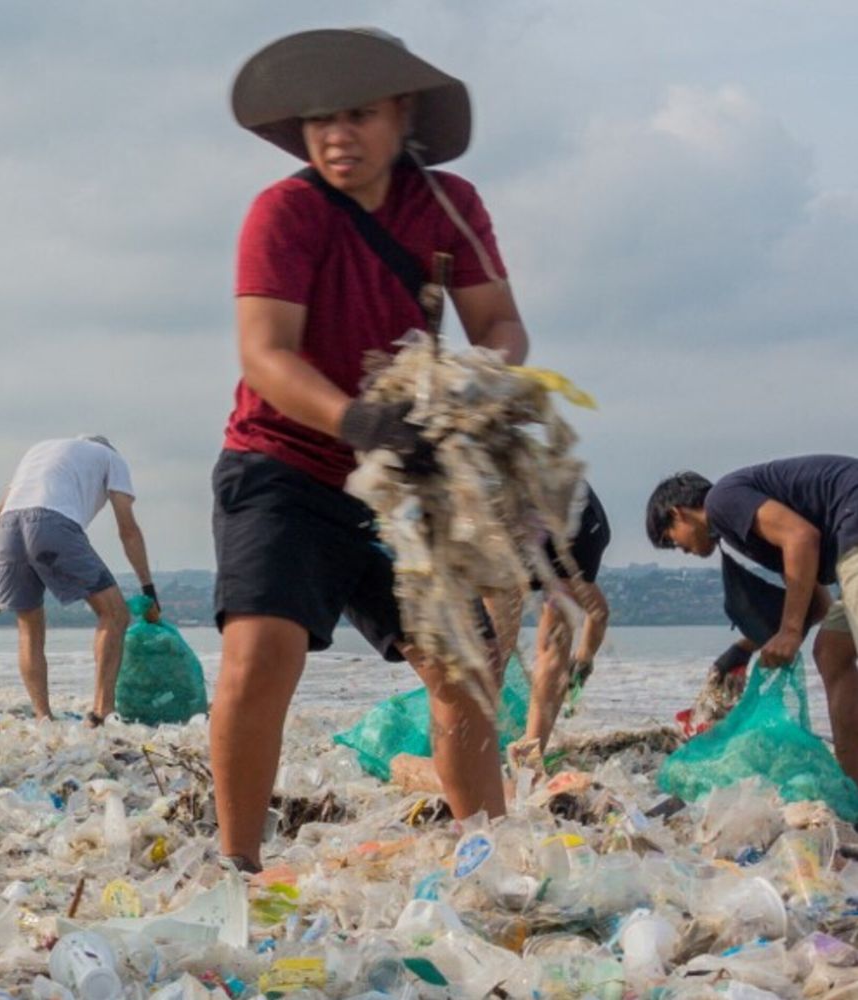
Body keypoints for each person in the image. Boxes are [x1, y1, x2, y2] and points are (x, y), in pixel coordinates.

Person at [214, 28, 530, 870]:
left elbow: (499, 325)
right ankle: (236, 865)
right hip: (282, 462)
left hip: (403, 483)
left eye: (357, 113)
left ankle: (485, 856)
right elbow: (266, 353)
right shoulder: (285, 211)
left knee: (462, 670)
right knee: (261, 653)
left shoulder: (449, 205)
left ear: (403, 114)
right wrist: (359, 421)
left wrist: (465, 392)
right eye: (319, 119)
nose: (336, 135)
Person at [648, 458, 858, 780]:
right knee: (832, 650)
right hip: (848, 537)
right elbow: (817, 605)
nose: (681, 550)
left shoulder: (721, 501)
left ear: (677, 512)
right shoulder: (748, 531)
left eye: (670, 539)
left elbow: (802, 537)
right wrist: (745, 648)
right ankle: (853, 787)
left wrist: (788, 630)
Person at [0, 436, 157, 724]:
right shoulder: (112, 458)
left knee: (28, 628)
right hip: (52, 523)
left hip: (8, 528)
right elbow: (128, 529)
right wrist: (148, 588)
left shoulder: (39, 450)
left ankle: (43, 717)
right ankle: (102, 710)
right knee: (114, 614)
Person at [490, 483, 613, 760]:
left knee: (507, 646)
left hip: (567, 520)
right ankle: (521, 750)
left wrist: (582, 661)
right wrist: (583, 661)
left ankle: (518, 752)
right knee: (502, 646)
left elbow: (598, 613)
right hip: (552, 514)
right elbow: (599, 613)